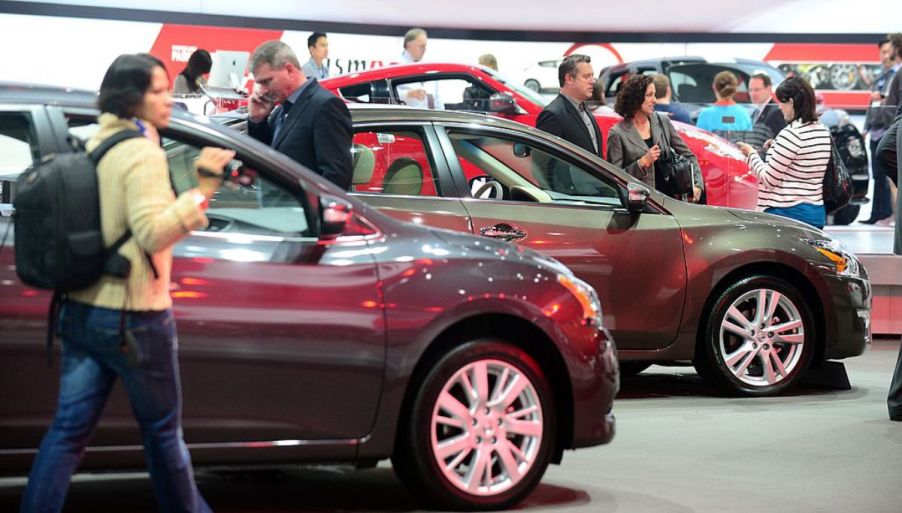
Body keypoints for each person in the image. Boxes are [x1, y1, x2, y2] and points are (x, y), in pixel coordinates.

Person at [20, 53, 233, 513]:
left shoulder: (98, 141)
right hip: (135, 318)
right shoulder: (142, 152)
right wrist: (203, 189)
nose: (167, 98)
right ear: (132, 97)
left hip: (81, 309)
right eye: (157, 91)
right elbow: (153, 231)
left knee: (66, 434)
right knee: (162, 433)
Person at [246, 40, 353, 190]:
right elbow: (263, 163)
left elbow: (336, 177)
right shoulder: (281, 110)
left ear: (289, 70)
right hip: (277, 211)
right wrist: (257, 120)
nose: (263, 91)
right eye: (260, 84)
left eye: (267, 81)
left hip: (302, 212)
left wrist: (307, 210)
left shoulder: (325, 106)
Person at [737, 76, 832, 229]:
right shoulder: (822, 131)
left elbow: (768, 179)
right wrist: (776, 147)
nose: (779, 107)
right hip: (815, 212)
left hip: (787, 214)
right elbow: (802, 161)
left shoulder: (791, 134)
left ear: (791, 103)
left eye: (782, 102)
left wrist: (751, 154)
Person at [607, 74, 704, 202]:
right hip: (642, 205)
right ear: (635, 98)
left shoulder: (662, 121)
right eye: (649, 95)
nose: (654, 100)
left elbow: (688, 155)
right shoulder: (617, 133)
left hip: (672, 201)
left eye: (655, 95)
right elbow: (614, 178)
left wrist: (697, 184)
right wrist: (641, 163)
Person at [864, 34, 902, 225]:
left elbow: (893, 103)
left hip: (891, 129)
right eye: (883, 51)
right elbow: (872, 105)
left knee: (890, 177)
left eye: (889, 50)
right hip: (879, 129)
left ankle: (892, 216)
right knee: (879, 176)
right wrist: (866, 127)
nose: (885, 55)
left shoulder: (897, 74)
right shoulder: (883, 76)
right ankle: (881, 214)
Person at [536, 54, 604, 158]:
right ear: (569, 79)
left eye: (592, 76)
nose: (592, 81)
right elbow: (543, 164)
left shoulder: (584, 109)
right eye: (586, 76)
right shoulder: (552, 114)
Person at [397, 28, 440, 109]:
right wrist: (408, 94)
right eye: (421, 46)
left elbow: (437, 98)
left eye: (425, 46)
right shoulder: (395, 66)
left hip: (432, 117)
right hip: (408, 117)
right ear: (409, 45)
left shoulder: (429, 66)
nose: (424, 50)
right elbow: (385, 95)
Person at [748, 72, 787, 139]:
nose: (752, 94)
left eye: (757, 90)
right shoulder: (756, 111)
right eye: (750, 90)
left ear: (768, 89)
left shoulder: (776, 112)